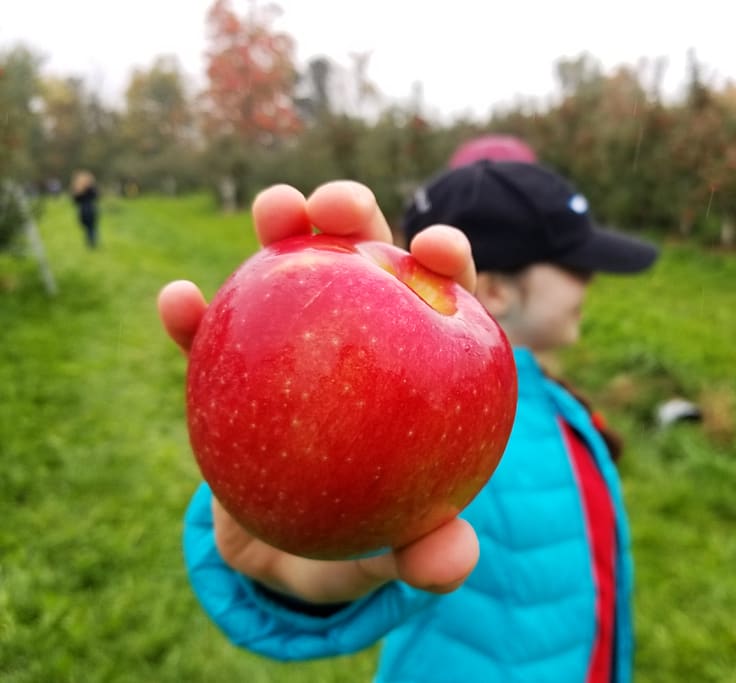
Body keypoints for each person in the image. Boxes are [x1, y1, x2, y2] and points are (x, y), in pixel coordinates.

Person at [158, 163, 658, 683]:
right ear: (499, 291)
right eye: (574, 264)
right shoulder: (454, 431)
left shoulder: (549, 406)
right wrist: (278, 573)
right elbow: (363, 545)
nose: (592, 278)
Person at [71, 170, 99, 248]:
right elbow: (96, 196)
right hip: (91, 209)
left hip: (83, 210)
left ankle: (91, 243)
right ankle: (92, 243)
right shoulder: (91, 188)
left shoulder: (80, 190)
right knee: (92, 228)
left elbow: (75, 201)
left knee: (88, 228)